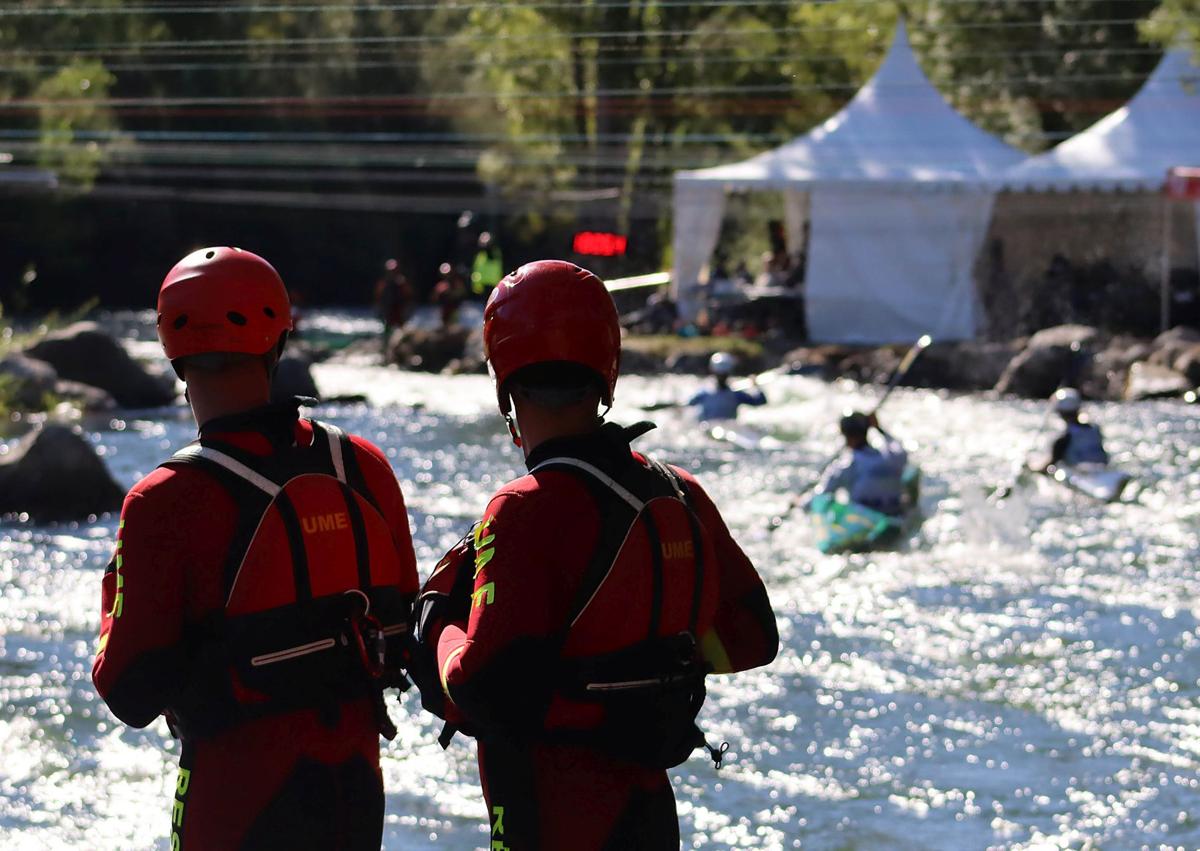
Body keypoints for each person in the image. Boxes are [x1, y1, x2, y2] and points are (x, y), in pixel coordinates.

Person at [411, 260, 778, 850]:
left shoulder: (523, 507)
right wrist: (644, 670)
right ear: (608, 372)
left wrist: (437, 629)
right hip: (647, 810)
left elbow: (480, 686)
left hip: (548, 811)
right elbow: (753, 640)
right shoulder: (677, 491)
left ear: (503, 380)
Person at [92, 247, 419, 850]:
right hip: (355, 793)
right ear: (278, 343)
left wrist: (114, 591)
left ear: (174, 355)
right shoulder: (364, 467)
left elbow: (129, 690)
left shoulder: (165, 500)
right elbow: (403, 625)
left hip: (234, 801)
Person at [814, 411, 909, 515]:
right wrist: (878, 428)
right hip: (895, 514)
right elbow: (898, 448)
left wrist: (798, 503)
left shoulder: (846, 465)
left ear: (845, 435)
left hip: (864, 521)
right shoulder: (892, 457)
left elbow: (821, 496)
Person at [687, 352, 767, 421]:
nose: (721, 377)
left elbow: (761, 401)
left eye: (722, 375)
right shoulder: (704, 394)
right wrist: (756, 386)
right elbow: (760, 401)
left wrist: (755, 386)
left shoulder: (736, 395)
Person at [1046, 387, 1108, 468]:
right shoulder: (1095, 430)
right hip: (1102, 469)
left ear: (1060, 413)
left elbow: (1052, 465)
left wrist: (1032, 470)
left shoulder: (1064, 439)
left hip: (1079, 474)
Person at [375, 257, 414, 356]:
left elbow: (409, 299)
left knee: (402, 334)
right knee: (387, 334)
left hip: (399, 314)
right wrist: (379, 311)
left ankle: (403, 353)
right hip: (389, 314)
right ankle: (385, 353)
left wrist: (408, 312)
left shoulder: (402, 283)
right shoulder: (384, 284)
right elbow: (378, 298)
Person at [470, 231, 504, 299]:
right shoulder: (480, 255)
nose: (483, 243)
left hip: (493, 287)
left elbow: (490, 252)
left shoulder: (494, 252)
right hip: (480, 289)